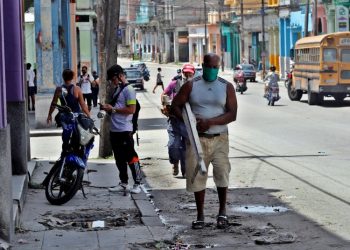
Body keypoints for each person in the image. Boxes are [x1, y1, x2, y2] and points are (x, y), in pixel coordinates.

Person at [171, 53, 238, 230]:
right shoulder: (191, 86)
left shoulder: (226, 87)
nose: (212, 70)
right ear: (203, 65)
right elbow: (175, 105)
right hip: (196, 140)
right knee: (197, 176)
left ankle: (222, 212)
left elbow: (233, 114)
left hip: (220, 138)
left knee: (222, 173)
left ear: (219, 68)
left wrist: (211, 122)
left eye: (216, 67)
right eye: (209, 66)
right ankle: (200, 215)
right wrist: (189, 121)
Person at [100, 64, 142, 194]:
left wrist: (112, 109)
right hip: (115, 130)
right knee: (119, 158)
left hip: (125, 130)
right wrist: (107, 107)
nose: (112, 82)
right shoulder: (119, 89)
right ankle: (124, 183)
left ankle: (138, 183)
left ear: (119, 76)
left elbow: (131, 109)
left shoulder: (129, 90)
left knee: (131, 157)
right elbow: (117, 106)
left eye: (113, 79)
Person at [161, 64, 195, 177]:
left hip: (188, 122)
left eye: (190, 73)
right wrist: (165, 104)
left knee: (186, 148)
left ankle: (185, 171)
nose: (188, 75)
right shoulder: (174, 83)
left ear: (193, 73)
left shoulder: (197, 86)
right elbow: (164, 94)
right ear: (182, 73)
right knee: (173, 145)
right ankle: (175, 162)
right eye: (186, 73)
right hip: (174, 120)